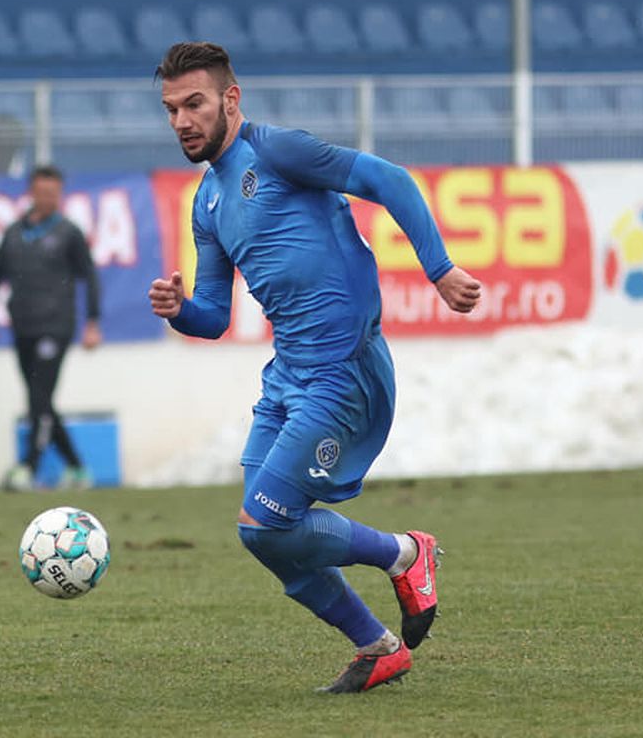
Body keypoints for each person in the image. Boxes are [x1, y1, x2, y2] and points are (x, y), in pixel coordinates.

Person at [147, 43, 482, 693]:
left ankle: (406, 554)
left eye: (194, 104)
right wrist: (178, 309)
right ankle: (376, 646)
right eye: (170, 109)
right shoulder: (208, 202)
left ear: (230, 100)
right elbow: (214, 316)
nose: (182, 120)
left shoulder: (278, 152)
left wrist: (439, 270)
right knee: (264, 536)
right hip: (288, 377)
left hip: (342, 370)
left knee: (264, 519)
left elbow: (390, 181)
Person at [0, 166, 101, 491]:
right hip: (23, 325)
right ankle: (76, 468)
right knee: (39, 398)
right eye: (42, 192)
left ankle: (28, 467)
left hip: (56, 326)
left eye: (53, 193)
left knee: (39, 396)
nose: (48, 199)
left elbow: (90, 276)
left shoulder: (68, 233)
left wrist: (92, 323)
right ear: (31, 193)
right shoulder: (15, 232)